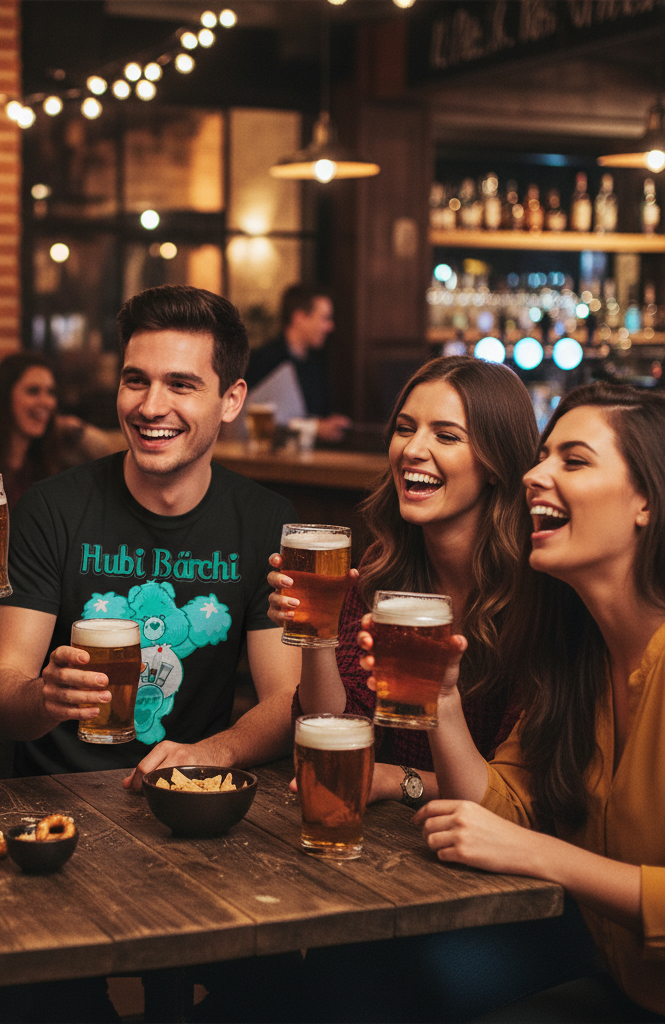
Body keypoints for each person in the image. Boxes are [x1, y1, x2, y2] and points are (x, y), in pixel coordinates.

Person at [267, 358, 598, 1024]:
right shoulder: (383, 578)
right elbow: (336, 733)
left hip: (535, 893)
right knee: (317, 963)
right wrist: (317, 634)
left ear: (498, 462)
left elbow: (522, 803)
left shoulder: (545, 597)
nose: (413, 449)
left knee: (373, 973)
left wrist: (402, 779)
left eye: (446, 435)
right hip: (416, 868)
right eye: (405, 428)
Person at [0, 284, 323, 787]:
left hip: (187, 797)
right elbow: (0, 699)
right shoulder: (51, 508)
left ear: (231, 401)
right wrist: (44, 697)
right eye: (135, 380)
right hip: (54, 800)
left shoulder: (265, 520)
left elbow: (285, 700)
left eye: (181, 385)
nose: (150, 407)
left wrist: (214, 751)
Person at [400, 381, 665, 1021]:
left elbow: (518, 843)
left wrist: (541, 855)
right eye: (543, 456)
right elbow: (500, 809)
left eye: (573, 461)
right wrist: (441, 696)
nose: (534, 475)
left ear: (646, 504)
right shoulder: (576, 654)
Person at [0, 351, 116, 509]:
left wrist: (76, 428)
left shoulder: (44, 458)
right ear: (5, 397)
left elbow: (108, 460)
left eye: (51, 392)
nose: (46, 402)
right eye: (33, 391)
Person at [245, 284, 351, 444]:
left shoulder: (317, 363)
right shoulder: (263, 360)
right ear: (300, 317)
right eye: (325, 318)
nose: (330, 326)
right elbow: (252, 424)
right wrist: (316, 428)